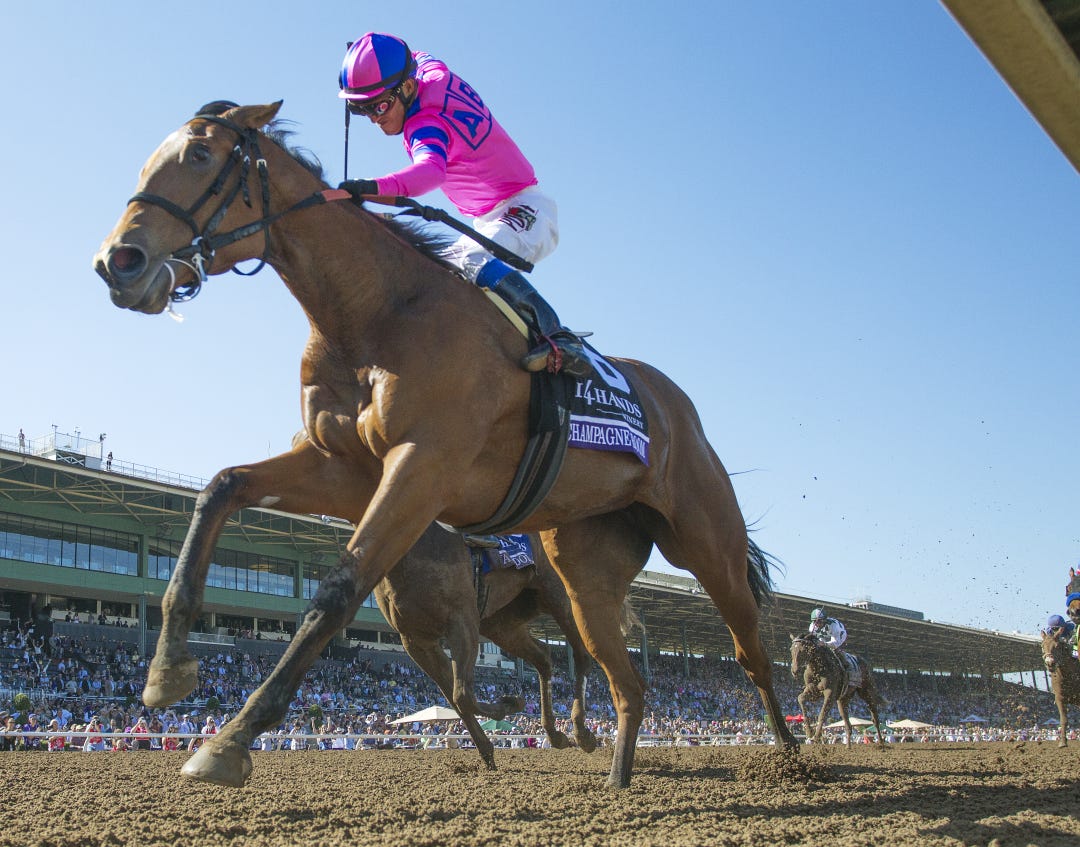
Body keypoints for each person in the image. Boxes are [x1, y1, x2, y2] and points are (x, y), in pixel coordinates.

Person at [337, 32, 590, 377]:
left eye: (378, 106)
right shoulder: (431, 71)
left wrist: (369, 188)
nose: (373, 118)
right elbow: (418, 54)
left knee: (468, 259)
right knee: (438, 270)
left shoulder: (424, 124)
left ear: (407, 88)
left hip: (526, 209)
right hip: (490, 219)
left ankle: (559, 337)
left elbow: (429, 173)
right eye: (361, 108)